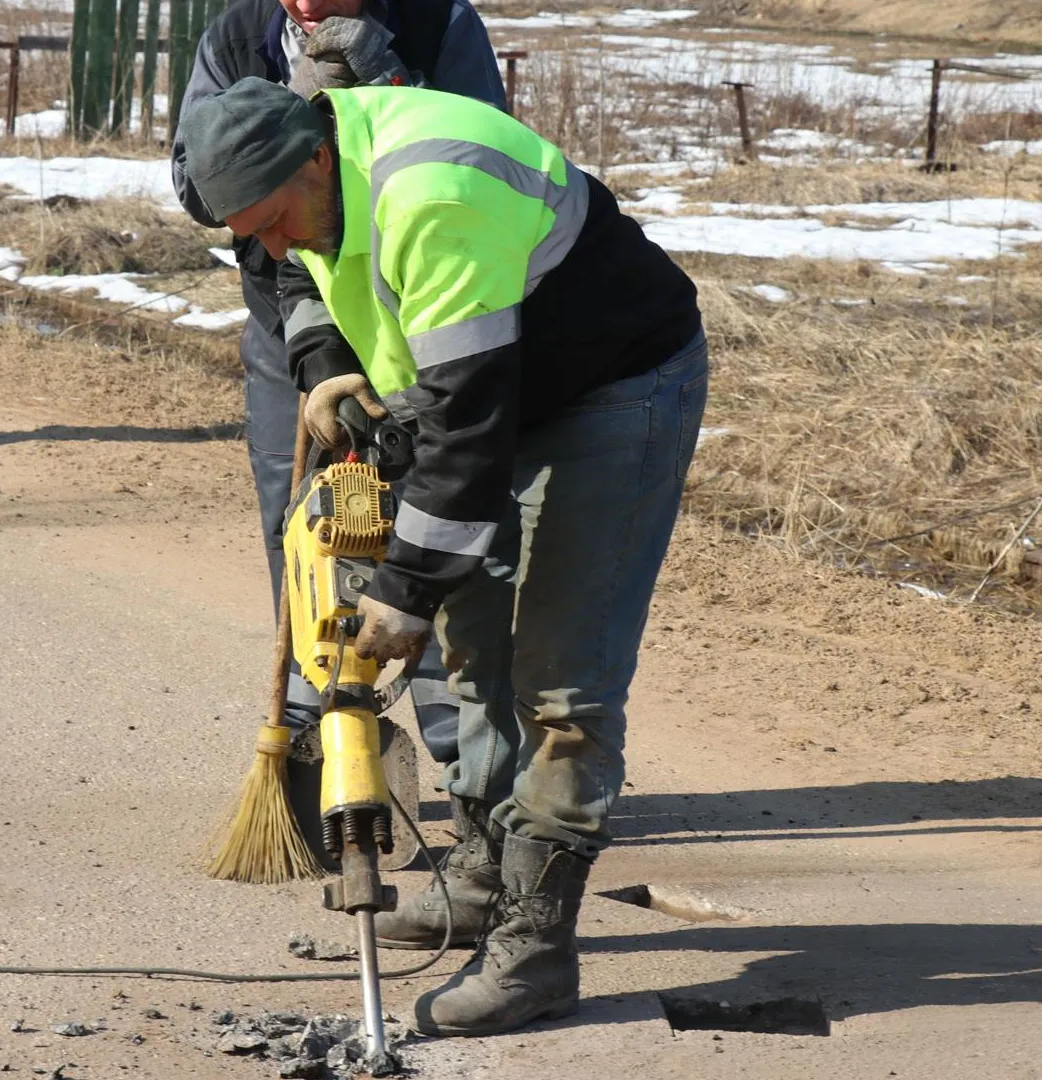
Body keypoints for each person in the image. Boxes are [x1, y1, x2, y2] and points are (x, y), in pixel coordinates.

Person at [177, 80, 708, 1036]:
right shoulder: (299, 189)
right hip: (494, 382)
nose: (270, 245)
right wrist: (326, 362)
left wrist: (404, 593)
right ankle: (477, 872)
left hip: (612, 390)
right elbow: (295, 274)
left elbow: (466, 431)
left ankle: (538, 946)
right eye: (244, 233)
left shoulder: (435, 194)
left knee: (560, 681)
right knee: (476, 645)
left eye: (274, 220)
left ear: (313, 161)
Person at [168, 0, 507, 837]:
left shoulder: (436, 27)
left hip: (419, 315)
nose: (309, 5)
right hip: (295, 322)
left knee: (429, 530)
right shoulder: (240, 37)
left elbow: (470, 150)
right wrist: (288, 119)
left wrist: (383, 87)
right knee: (306, 531)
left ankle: (465, 779)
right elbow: (194, 183)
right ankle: (319, 765)